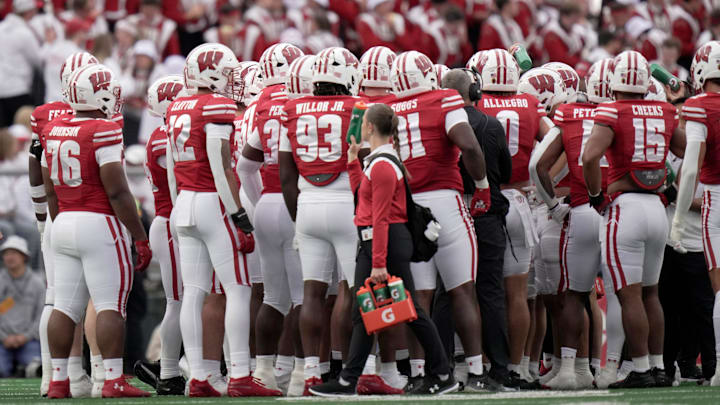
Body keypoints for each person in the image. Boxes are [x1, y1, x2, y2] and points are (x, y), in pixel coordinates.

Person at [308, 103, 457, 396]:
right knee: (369, 311)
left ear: (370, 128)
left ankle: (439, 372)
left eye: (363, 123)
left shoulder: (384, 164)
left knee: (406, 309)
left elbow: (381, 216)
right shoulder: (378, 162)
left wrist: (377, 262)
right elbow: (362, 201)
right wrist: (352, 162)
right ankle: (352, 379)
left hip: (384, 241)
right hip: (379, 240)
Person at [168, 43, 277, 397]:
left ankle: (200, 375)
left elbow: (172, 168)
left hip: (184, 202)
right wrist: (239, 215)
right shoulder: (215, 106)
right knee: (238, 289)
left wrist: (176, 205)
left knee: (194, 292)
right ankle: (241, 374)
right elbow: (221, 166)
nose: (232, 81)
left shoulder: (178, 106)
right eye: (228, 74)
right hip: (213, 203)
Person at [42, 63, 152, 398]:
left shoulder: (53, 127)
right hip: (98, 222)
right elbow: (118, 191)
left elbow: (49, 189)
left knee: (64, 306)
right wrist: (139, 235)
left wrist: (61, 220)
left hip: (62, 221)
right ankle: (113, 379)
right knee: (109, 304)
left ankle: (59, 380)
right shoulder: (103, 129)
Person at [582, 50, 685, 388]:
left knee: (629, 296)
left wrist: (597, 195)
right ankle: (657, 366)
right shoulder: (666, 111)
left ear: (613, 82)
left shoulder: (611, 110)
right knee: (651, 294)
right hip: (657, 209)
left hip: (624, 208)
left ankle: (640, 367)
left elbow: (590, 156)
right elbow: (685, 150)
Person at [387, 51, 488, 391]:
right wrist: (483, 186)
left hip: (407, 208)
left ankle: (420, 374)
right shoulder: (444, 98)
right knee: (462, 291)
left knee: (418, 298)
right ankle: (475, 373)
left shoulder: (386, 109)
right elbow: (470, 146)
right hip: (445, 202)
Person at [278, 46, 364, 394]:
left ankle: (310, 371)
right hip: (346, 200)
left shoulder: (292, 109)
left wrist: (299, 219)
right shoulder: (357, 108)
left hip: (307, 204)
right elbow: (367, 162)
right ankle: (352, 369)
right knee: (353, 290)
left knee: (311, 293)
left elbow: (285, 175)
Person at [528, 59, 613, 390]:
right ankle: (625, 366)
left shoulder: (571, 116)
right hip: (620, 208)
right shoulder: (633, 113)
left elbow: (539, 165)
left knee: (573, 296)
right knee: (629, 296)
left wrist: (552, 204)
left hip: (582, 209)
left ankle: (573, 368)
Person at [475, 48, 555, 381]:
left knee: (482, 291)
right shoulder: (529, 105)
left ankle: (478, 364)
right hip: (521, 199)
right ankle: (518, 366)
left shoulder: (476, 106)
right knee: (518, 294)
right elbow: (554, 140)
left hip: (485, 200)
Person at [441, 68, 516, 391]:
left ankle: (443, 365)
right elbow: (508, 170)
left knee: (447, 293)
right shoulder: (490, 123)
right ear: (475, 91)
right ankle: (498, 366)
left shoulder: (436, 122)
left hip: (450, 208)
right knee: (490, 291)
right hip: (485, 211)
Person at [237, 43, 305, 393]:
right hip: (297, 202)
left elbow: (245, 165)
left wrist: (259, 198)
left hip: (265, 204)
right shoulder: (299, 102)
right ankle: (301, 374)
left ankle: (263, 371)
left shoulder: (261, 103)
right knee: (302, 297)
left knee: (272, 297)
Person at [671, 40, 720, 387]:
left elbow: (689, 171)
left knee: (719, 291)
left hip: (715, 198)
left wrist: (676, 220)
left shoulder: (700, 106)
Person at [141, 75, 186, 395]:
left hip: (177, 220)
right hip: (172, 221)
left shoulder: (168, 132)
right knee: (179, 301)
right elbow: (179, 184)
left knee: (192, 299)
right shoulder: (164, 136)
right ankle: (171, 370)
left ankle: (182, 366)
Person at [0, 236, 44, 378]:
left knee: (36, 370)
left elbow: (41, 316)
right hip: (2, 341)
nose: (9, 257)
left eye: (14, 252)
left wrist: (24, 337)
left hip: (29, 341)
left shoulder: (37, 283)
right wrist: (4, 337)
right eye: (6, 253)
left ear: (24, 256)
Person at [0, 0, 41, 127]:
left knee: (4, 135)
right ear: (29, 12)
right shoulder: (24, 33)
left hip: (1, 89)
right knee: (23, 130)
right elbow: (38, 61)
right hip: (19, 89)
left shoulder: (1, 28)